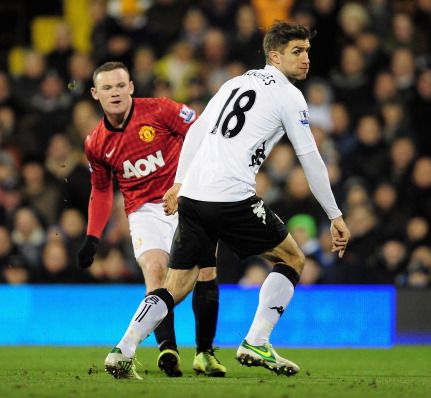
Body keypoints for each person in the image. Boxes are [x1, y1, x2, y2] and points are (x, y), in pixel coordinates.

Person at [104, 21, 350, 379]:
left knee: (176, 286)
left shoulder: (236, 82)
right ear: (274, 55)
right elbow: (309, 157)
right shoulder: (289, 95)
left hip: (194, 197)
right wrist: (335, 214)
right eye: (297, 52)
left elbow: (198, 131)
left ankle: (122, 350)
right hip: (230, 198)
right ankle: (256, 340)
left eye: (307, 51)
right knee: (293, 259)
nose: (305, 58)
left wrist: (179, 182)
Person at [77, 62, 226, 378]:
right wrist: (92, 236)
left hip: (186, 200)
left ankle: (204, 352)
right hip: (144, 211)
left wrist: (193, 181)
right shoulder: (96, 143)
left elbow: (202, 133)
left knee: (205, 271)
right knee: (156, 271)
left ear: (131, 86)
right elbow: (102, 191)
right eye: (107, 88)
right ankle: (167, 349)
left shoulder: (160, 110)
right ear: (95, 94)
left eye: (120, 85)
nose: (115, 93)